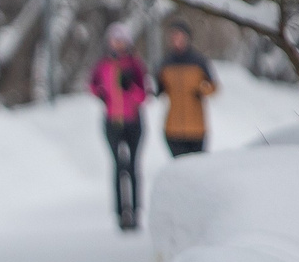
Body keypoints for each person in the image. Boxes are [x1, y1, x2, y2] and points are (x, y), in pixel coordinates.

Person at [87, 23, 149, 230]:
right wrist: (102, 93)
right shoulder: (103, 65)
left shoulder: (135, 65)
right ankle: (120, 212)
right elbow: (92, 86)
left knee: (132, 166)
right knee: (117, 166)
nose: (118, 44)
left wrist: (130, 89)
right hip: (112, 121)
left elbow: (144, 94)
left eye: (121, 40)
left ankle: (135, 210)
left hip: (133, 120)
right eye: (115, 40)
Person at [156, 19, 219, 157]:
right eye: (173, 36)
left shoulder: (198, 61)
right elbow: (158, 89)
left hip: (196, 128)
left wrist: (201, 91)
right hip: (173, 128)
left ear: (187, 37)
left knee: (196, 167)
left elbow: (214, 86)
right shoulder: (165, 63)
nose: (176, 39)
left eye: (180, 35)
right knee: (179, 166)